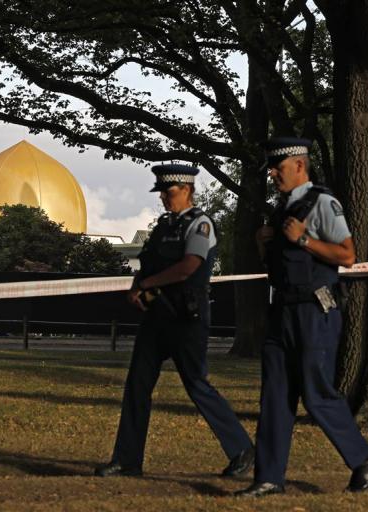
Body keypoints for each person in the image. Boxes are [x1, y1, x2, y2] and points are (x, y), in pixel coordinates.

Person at [236, 137, 368, 497]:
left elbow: (347, 255)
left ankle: (365, 459)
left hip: (314, 312)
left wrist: (304, 240)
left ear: (299, 166)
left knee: (317, 395)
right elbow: (278, 267)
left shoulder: (322, 203)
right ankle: (269, 478)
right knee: (274, 396)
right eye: (271, 168)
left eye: (279, 167)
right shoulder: (281, 210)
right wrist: (264, 244)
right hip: (283, 312)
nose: (272, 173)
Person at [95, 163, 254, 478]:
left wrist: (148, 284)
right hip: (157, 315)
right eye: (162, 194)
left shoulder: (200, 224)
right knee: (137, 385)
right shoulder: (163, 226)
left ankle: (241, 449)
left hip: (187, 316)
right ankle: (127, 459)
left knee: (197, 384)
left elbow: (189, 267)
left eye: (170, 193)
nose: (165, 199)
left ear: (187, 190)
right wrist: (135, 287)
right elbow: (147, 263)